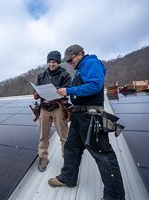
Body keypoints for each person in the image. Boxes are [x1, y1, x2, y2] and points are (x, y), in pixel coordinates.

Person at [48, 45, 125, 200]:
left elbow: (95, 85)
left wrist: (69, 91)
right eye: (67, 61)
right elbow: (81, 90)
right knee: (71, 148)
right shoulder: (80, 69)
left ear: (80, 54)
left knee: (103, 155)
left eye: (71, 59)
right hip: (79, 116)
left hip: (91, 117)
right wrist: (67, 96)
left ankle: (114, 196)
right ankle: (68, 178)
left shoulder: (91, 63)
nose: (69, 63)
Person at [33, 50, 72, 172]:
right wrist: (36, 94)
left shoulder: (64, 75)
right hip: (44, 109)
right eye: (49, 62)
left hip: (58, 108)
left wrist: (58, 91)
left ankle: (67, 160)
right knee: (43, 136)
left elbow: (68, 89)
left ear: (58, 62)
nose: (51, 64)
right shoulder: (42, 75)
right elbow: (38, 89)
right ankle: (43, 158)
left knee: (64, 136)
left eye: (54, 62)